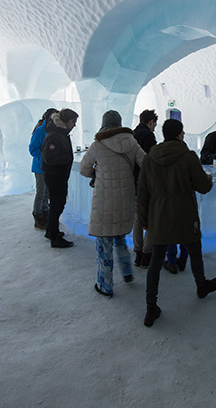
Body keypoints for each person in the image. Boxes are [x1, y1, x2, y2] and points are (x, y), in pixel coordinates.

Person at [136, 119, 216, 327]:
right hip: (185, 216)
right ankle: (201, 286)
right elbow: (203, 187)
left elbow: (142, 193)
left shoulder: (149, 159)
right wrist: (207, 180)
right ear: (180, 134)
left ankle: (150, 308)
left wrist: (145, 221)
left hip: (159, 217)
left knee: (155, 263)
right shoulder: (188, 156)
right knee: (195, 253)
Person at [80, 110, 146, 297]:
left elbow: (83, 169)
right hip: (126, 198)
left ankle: (105, 285)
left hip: (104, 201)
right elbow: (146, 162)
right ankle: (127, 273)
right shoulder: (131, 142)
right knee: (119, 237)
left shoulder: (98, 145)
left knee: (104, 244)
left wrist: (96, 172)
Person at [41, 108, 79, 248]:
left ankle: (51, 230)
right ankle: (54, 237)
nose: (74, 125)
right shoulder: (55, 135)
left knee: (56, 204)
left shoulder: (60, 133)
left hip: (57, 175)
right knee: (57, 204)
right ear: (66, 121)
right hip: (55, 176)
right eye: (73, 121)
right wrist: (67, 158)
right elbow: (49, 157)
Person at [132, 109, 159, 268]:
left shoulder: (133, 134)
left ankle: (137, 252)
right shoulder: (149, 136)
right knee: (150, 217)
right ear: (151, 122)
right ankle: (147, 253)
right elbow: (151, 159)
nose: (154, 127)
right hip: (147, 181)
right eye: (154, 123)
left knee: (137, 217)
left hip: (134, 180)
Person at [29, 108, 58, 230]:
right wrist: (44, 159)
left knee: (46, 193)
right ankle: (38, 216)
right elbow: (33, 148)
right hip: (40, 168)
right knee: (41, 193)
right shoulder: (40, 130)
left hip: (48, 167)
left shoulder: (50, 130)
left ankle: (46, 214)